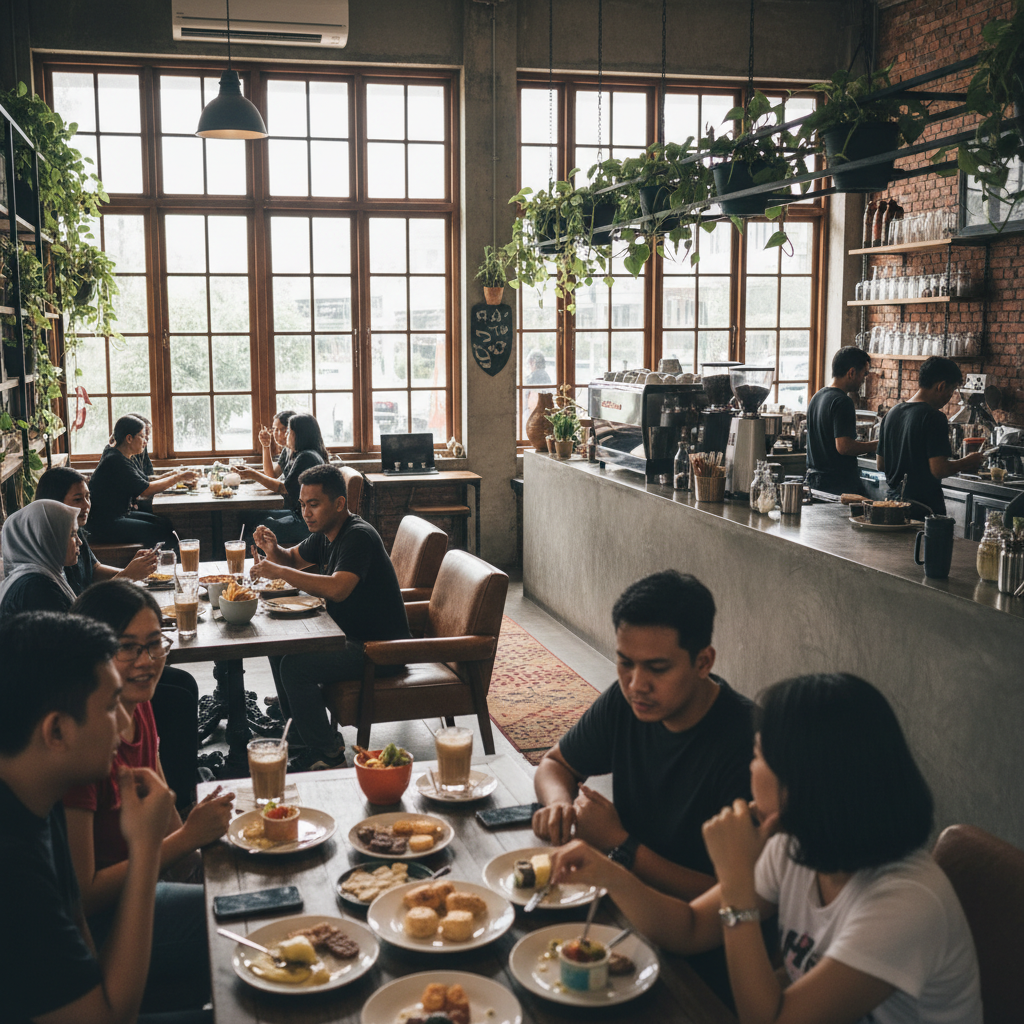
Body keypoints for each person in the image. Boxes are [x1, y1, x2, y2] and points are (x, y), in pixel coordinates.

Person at [551, 673, 982, 1024]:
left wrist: (736, 881)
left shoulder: (906, 904)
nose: (749, 768)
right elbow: (686, 929)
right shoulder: (795, 847)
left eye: (757, 756)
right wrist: (608, 872)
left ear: (801, 781)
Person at [0, 610, 210, 1024]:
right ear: (56, 731)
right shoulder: (11, 868)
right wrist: (146, 848)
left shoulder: (38, 796)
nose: (126, 721)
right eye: (112, 705)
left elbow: (84, 945)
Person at [533, 571, 755, 901]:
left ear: (703, 662)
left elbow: (736, 895)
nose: (637, 684)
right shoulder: (628, 703)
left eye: (658, 668)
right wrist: (559, 805)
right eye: (625, 663)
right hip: (629, 900)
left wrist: (620, 845)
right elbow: (555, 764)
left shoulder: (750, 744)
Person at [64, 583, 231, 1014]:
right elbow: (83, 895)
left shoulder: (138, 705)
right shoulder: (82, 748)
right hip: (103, 922)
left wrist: (206, 849)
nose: (147, 661)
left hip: (147, 886)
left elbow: (165, 811)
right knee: (232, 921)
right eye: (128, 648)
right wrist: (187, 840)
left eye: (155, 644)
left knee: (252, 893)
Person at [250, 463, 411, 770]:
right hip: (346, 635)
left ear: (339, 504)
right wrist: (274, 549)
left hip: (378, 649)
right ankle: (299, 731)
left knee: (295, 668)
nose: (306, 513)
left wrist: (278, 570)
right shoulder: (325, 532)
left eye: (314, 504)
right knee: (278, 646)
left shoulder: (358, 536)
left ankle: (328, 751)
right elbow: (293, 559)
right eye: (302, 505)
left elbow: (338, 589)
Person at [877, 356, 985, 515]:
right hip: (923, 509)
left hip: (893, 505)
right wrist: (968, 461)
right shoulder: (934, 417)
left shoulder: (892, 413)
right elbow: (939, 470)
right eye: (952, 390)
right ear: (941, 386)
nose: (950, 397)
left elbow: (881, 465)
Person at [35, 466, 158, 593]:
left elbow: (94, 569)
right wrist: (128, 575)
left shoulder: (76, 529)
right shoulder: (51, 544)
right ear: (54, 503)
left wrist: (135, 571)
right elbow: (78, 608)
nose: (86, 505)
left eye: (87, 497)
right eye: (78, 499)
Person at [88, 414, 195, 548]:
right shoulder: (115, 460)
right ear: (129, 438)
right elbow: (146, 490)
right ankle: (160, 564)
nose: (145, 442)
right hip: (105, 525)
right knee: (159, 532)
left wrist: (175, 474)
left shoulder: (122, 456)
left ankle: (166, 562)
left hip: (119, 516)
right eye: (142, 437)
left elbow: (145, 480)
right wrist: (178, 478)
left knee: (165, 523)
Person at [241, 411, 328, 546]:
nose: (285, 435)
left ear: (299, 435)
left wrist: (253, 474)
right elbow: (276, 477)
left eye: (288, 432)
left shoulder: (306, 457)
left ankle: (257, 563)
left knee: (259, 529)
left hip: (308, 523)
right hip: (302, 516)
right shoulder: (302, 454)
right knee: (250, 516)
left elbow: (283, 488)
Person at [805, 347, 877, 496]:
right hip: (838, 485)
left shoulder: (817, 397)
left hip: (815, 482)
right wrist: (878, 444)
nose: (863, 381)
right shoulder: (843, 401)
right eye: (864, 375)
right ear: (851, 372)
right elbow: (844, 447)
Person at [0, 499, 80, 619]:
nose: (80, 541)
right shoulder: (37, 588)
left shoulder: (37, 578)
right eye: (72, 534)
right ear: (49, 539)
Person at [257, 408, 296, 480]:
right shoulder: (287, 450)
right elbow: (272, 475)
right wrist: (266, 446)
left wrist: (254, 475)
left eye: (283, 429)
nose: (277, 434)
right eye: (275, 429)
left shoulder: (301, 452)